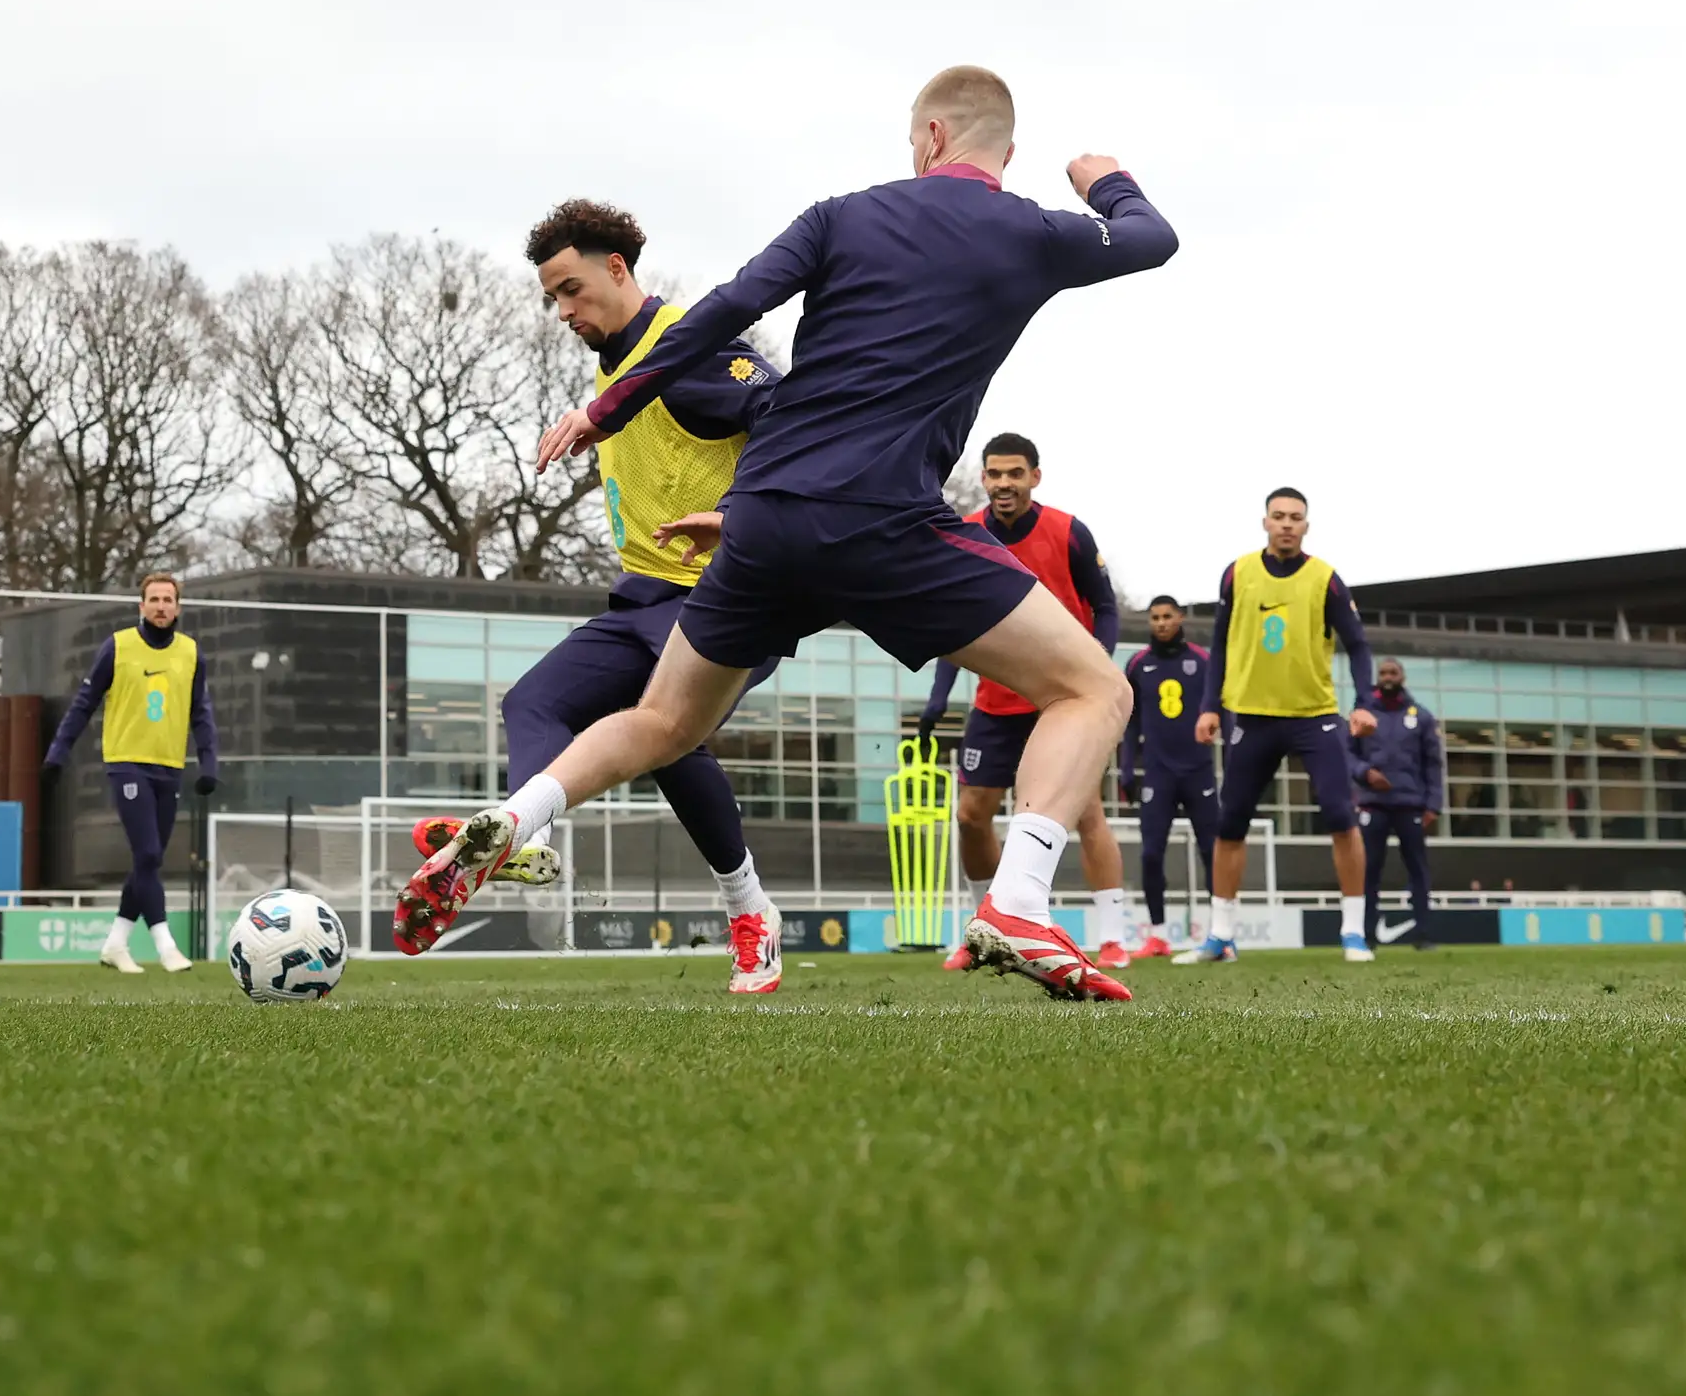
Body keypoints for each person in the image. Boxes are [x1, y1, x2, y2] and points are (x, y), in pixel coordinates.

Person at [395, 66, 1177, 1002]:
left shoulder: (839, 216)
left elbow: (721, 311)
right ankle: (1018, 899)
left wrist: (609, 406)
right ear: (996, 154)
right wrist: (1102, 179)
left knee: (661, 721)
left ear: (928, 138)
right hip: (886, 521)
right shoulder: (1030, 230)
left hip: (763, 519)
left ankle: (518, 821)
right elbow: (1150, 239)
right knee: (1093, 688)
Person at [425, 200, 787, 993]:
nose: (562, 311)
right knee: (531, 704)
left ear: (617, 270)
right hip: (645, 598)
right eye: (552, 296)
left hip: (728, 594)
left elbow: (789, 415)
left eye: (571, 289)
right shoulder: (612, 368)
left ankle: (751, 913)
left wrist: (737, 517)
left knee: (664, 732)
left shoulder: (688, 349)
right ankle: (519, 835)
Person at [917, 433, 1135, 967]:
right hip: (995, 702)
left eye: (1015, 473)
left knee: (1085, 813)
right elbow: (956, 624)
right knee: (971, 816)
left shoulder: (1068, 532)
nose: (1003, 483)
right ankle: (982, 934)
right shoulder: (963, 534)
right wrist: (938, 698)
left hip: (1060, 701)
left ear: (1035, 477)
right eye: (994, 474)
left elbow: (1105, 607)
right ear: (984, 478)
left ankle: (1112, 937)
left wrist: (1095, 667)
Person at [1191, 488, 1382, 965]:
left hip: (1313, 716)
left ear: (1306, 525)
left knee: (1341, 816)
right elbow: (1220, 642)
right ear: (1265, 522)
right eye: (1278, 516)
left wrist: (1363, 702)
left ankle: (1354, 932)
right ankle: (1221, 936)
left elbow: (1358, 646)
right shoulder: (1238, 574)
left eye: (1296, 517)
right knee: (1230, 824)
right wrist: (1209, 705)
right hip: (1251, 716)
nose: (1287, 525)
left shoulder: (1325, 579)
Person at [47, 571, 219, 973]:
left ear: (178, 607)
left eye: (168, 599)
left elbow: (202, 713)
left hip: (169, 766)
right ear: (141, 605)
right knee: (147, 853)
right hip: (126, 763)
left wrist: (209, 763)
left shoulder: (192, 654)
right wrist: (58, 752)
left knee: (148, 862)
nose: (161, 606)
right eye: (154, 599)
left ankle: (115, 943)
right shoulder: (118, 647)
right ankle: (165, 945)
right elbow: (84, 703)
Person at [1123, 594, 1216, 961]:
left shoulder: (1202, 660)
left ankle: (1220, 933)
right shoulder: (1137, 664)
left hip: (1198, 771)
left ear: (1180, 618)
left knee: (1212, 852)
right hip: (1158, 774)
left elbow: (1221, 708)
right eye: (1155, 617)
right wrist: (1127, 768)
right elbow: (1129, 722)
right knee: (1150, 854)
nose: (1161, 623)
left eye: (1167, 616)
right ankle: (1158, 935)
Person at [1351, 661, 1442, 946]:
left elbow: (1433, 765)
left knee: (1418, 870)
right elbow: (1346, 755)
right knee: (1368, 872)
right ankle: (1365, 936)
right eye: (1383, 673)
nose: (1388, 678)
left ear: (1403, 677)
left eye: (1393, 673)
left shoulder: (1422, 717)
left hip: (1410, 805)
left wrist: (1433, 804)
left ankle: (1423, 935)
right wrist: (1364, 773)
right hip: (1372, 805)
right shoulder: (1362, 716)